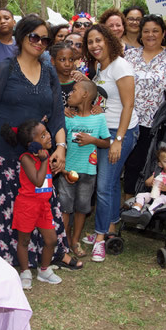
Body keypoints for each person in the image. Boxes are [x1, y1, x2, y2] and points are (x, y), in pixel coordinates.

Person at [0, 16, 83, 270]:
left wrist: (61, 148)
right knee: (4, 208)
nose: (40, 43)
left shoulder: (49, 71)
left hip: (35, 155)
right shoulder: (5, 68)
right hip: (0, 152)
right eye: (34, 37)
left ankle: (52, 253)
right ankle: (1, 259)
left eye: (45, 39)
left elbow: (57, 115)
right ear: (22, 37)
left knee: (42, 204)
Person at [81, 23, 139, 262]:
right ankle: (112, 225)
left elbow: (128, 104)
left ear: (109, 41)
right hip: (106, 131)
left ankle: (100, 237)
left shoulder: (120, 66)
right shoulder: (100, 68)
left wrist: (118, 140)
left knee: (104, 186)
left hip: (120, 132)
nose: (94, 46)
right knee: (112, 184)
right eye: (90, 42)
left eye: (98, 40)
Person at [0, 119, 64, 289]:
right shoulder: (26, 158)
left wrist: (59, 169)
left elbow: (47, 178)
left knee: (51, 240)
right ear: (32, 144)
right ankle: (25, 271)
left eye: (47, 132)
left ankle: (43, 270)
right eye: (43, 135)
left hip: (43, 205)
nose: (49, 136)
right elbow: (37, 180)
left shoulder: (47, 155)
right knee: (24, 240)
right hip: (27, 205)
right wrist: (44, 162)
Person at [123, 15, 166, 203]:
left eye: (155, 30)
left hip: (157, 123)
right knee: (131, 163)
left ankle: (152, 202)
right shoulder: (129, 56)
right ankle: (129, 200)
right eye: (146, 31)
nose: (150, 35)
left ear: (163, 33)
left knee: (152, 165)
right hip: (130, 120)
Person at [56, 80, 109, 257]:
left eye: (74, 90)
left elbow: (106, 142)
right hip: (67, 171)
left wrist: (92, 140)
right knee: (65, 207)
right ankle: (64, 242)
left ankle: (75, 240)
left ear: (85, 95)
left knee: (81, 208)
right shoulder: (68, 117)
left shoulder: (99, 118)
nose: (70, 94)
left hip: (88, 172)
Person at [129, 145, 166, 215]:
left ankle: (149, 212)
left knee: (159, 200)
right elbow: (146, 182)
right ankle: (136, 209)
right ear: (160, 164)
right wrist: (151, 183)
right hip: (153, 194)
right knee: (140, 195)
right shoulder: (158, 172)